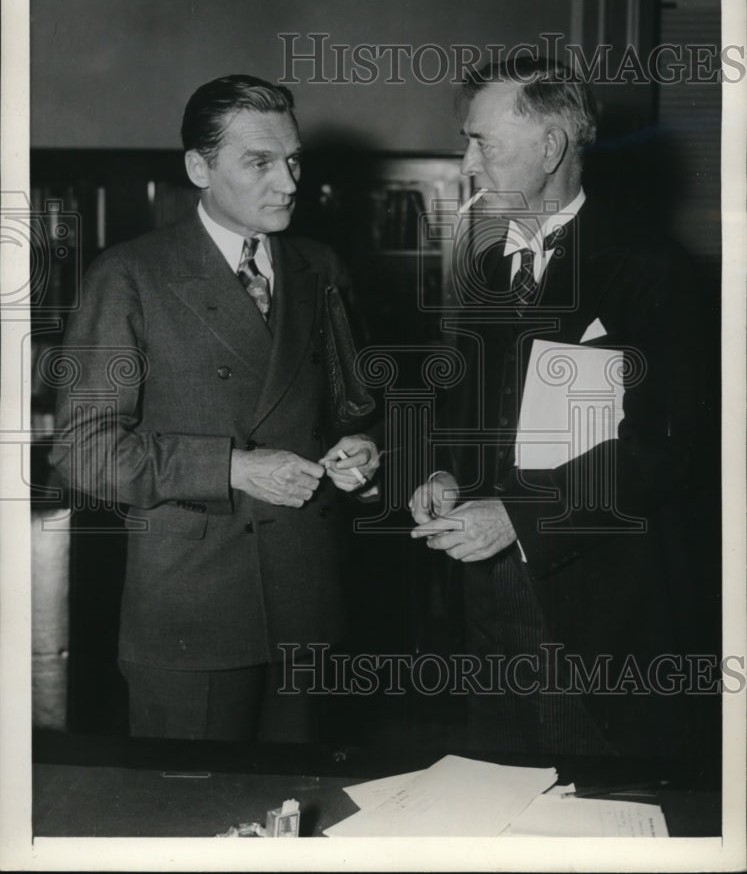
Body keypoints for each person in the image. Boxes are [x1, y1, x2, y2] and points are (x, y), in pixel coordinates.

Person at [51, 74, 380, 741]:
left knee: (299, 819)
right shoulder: (130, 276)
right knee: (195, 820)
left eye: (293, 159)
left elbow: (357, 410)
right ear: (198, 168)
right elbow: (82, 453)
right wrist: (231, 467)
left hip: (308, 603)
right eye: (258, 162)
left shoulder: (321, 269)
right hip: (192, 614)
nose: (287, 182)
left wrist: (367, 455)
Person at [410, 56, 705, 757]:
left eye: (483, 142)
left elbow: (665, 449)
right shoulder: (485, 268)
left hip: (593, 608)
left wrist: (518, 515)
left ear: (550, 149)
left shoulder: (649, 267)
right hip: (483, 598)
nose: (467, 162)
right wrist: (445, 474)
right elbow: (470, 413)